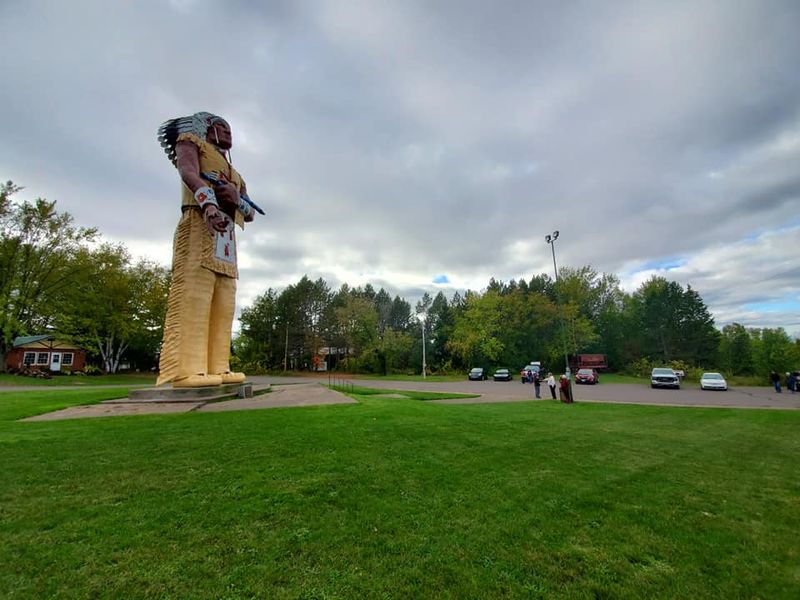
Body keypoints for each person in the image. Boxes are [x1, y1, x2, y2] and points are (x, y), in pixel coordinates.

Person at [155, 112, 258, 388]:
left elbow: (249, 213)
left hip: (226, 239)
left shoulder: (235, 174)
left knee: (224, 301)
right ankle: (187, 369)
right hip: (200, 222)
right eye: (221, 127)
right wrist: (209, 203)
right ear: (207, 128)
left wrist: (237, 200)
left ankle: (218, 366)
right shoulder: (190, 142)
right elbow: (188, 172)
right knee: (196, 295)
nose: (228, 132)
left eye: (230, 127)